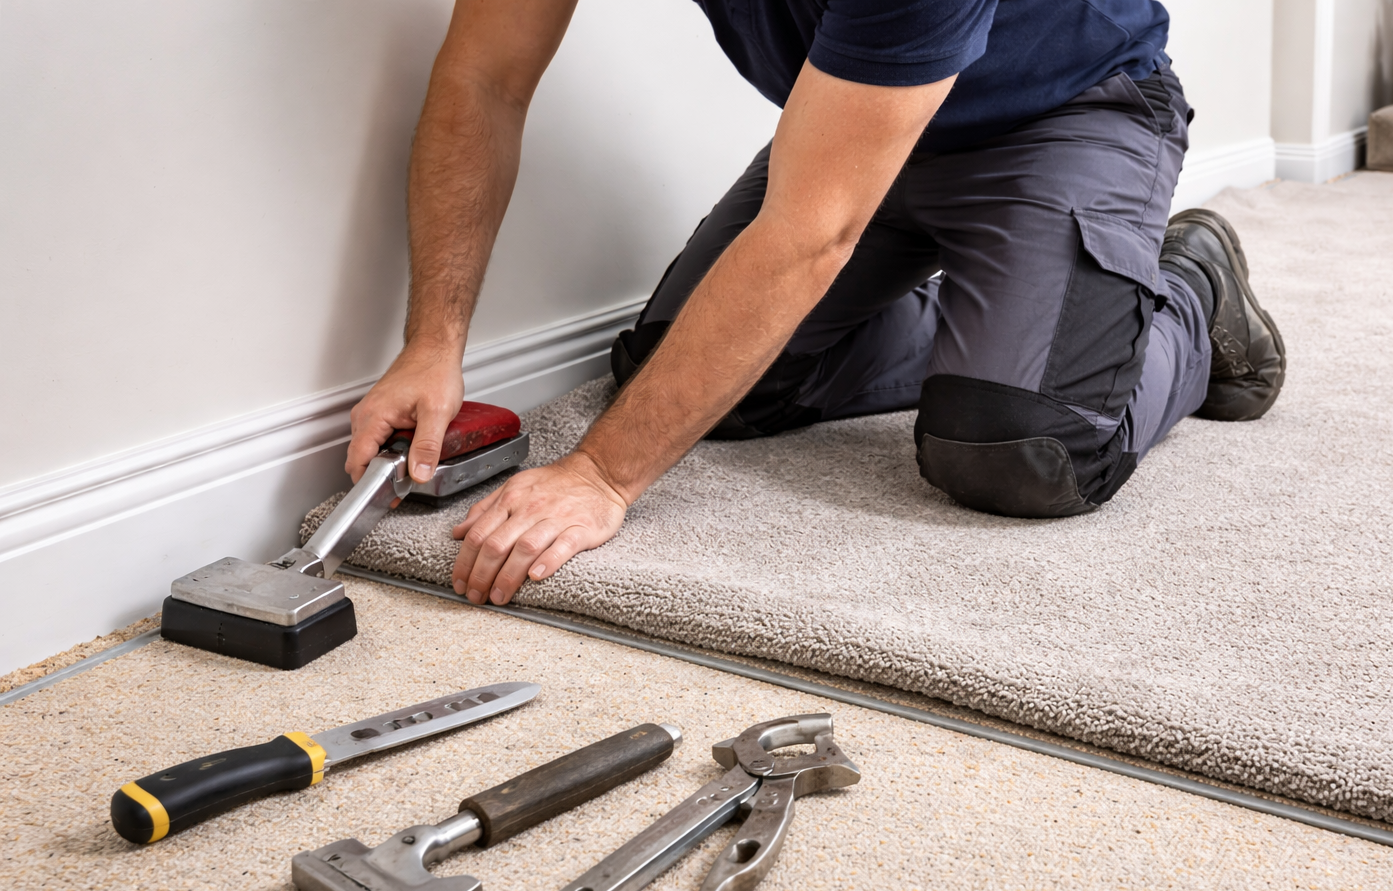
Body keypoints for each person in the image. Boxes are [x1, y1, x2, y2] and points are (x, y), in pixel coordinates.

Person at [345, 0, 1285, 608]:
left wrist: (599, 477)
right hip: (858, 128)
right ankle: (994, 325)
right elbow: (484, 78)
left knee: (1019, 447)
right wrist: (433, 342)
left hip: (1066, 112)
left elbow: (812, 231)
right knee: (700, 381)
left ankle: (1193, 291)